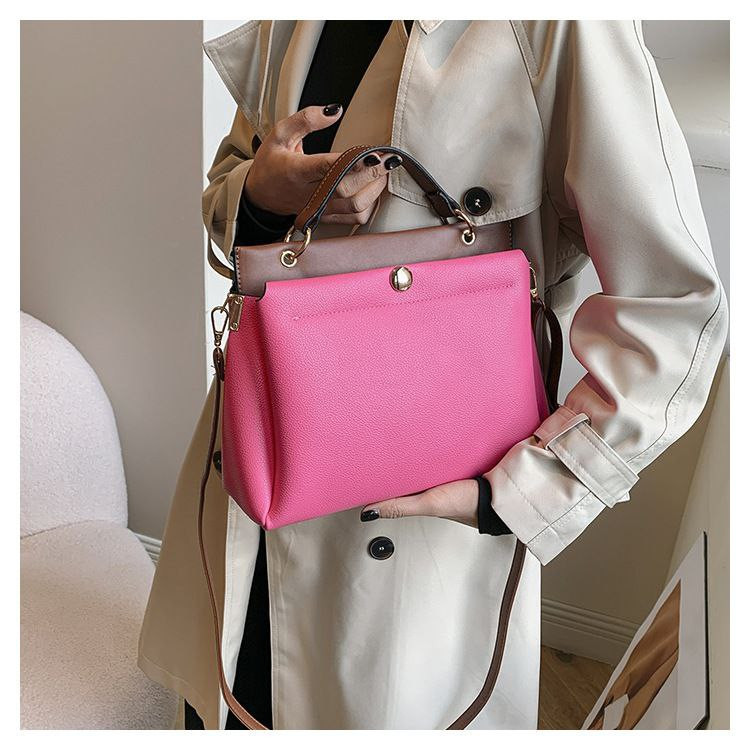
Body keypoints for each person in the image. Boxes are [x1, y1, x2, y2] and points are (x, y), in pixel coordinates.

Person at [138, 20, 728, 730]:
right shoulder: (293, 20)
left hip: (415, 508)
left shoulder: (560, 25)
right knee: (231, 696)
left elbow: (675, 308)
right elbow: (229, 197)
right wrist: (262, 195)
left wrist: (521, 492)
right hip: (256, 451)